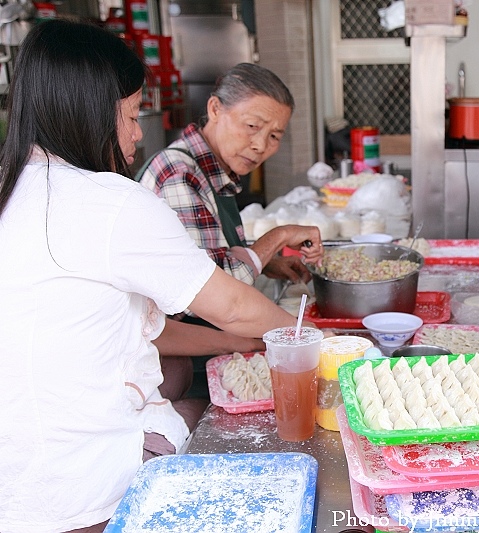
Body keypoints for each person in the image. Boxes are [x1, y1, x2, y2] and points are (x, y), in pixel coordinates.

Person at [0, 20, 307, 532]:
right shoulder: (108, 202)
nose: (139, 132)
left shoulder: (15, 190)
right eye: (130, 115)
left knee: (189, 403)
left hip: (20, 485)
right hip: (88, 488)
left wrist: (238, 340)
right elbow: (232, 303)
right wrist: (308, 339)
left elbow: (136, 328)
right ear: (86, 113)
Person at [138, 63, 323, 291]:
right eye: (252, 125)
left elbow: (210, 255)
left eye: (274, 136)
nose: (260, 145)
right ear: (215, 109)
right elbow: (211, 293)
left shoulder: (215, 170)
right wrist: (280, 236)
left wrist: (266, 262)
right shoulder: (180, 174)